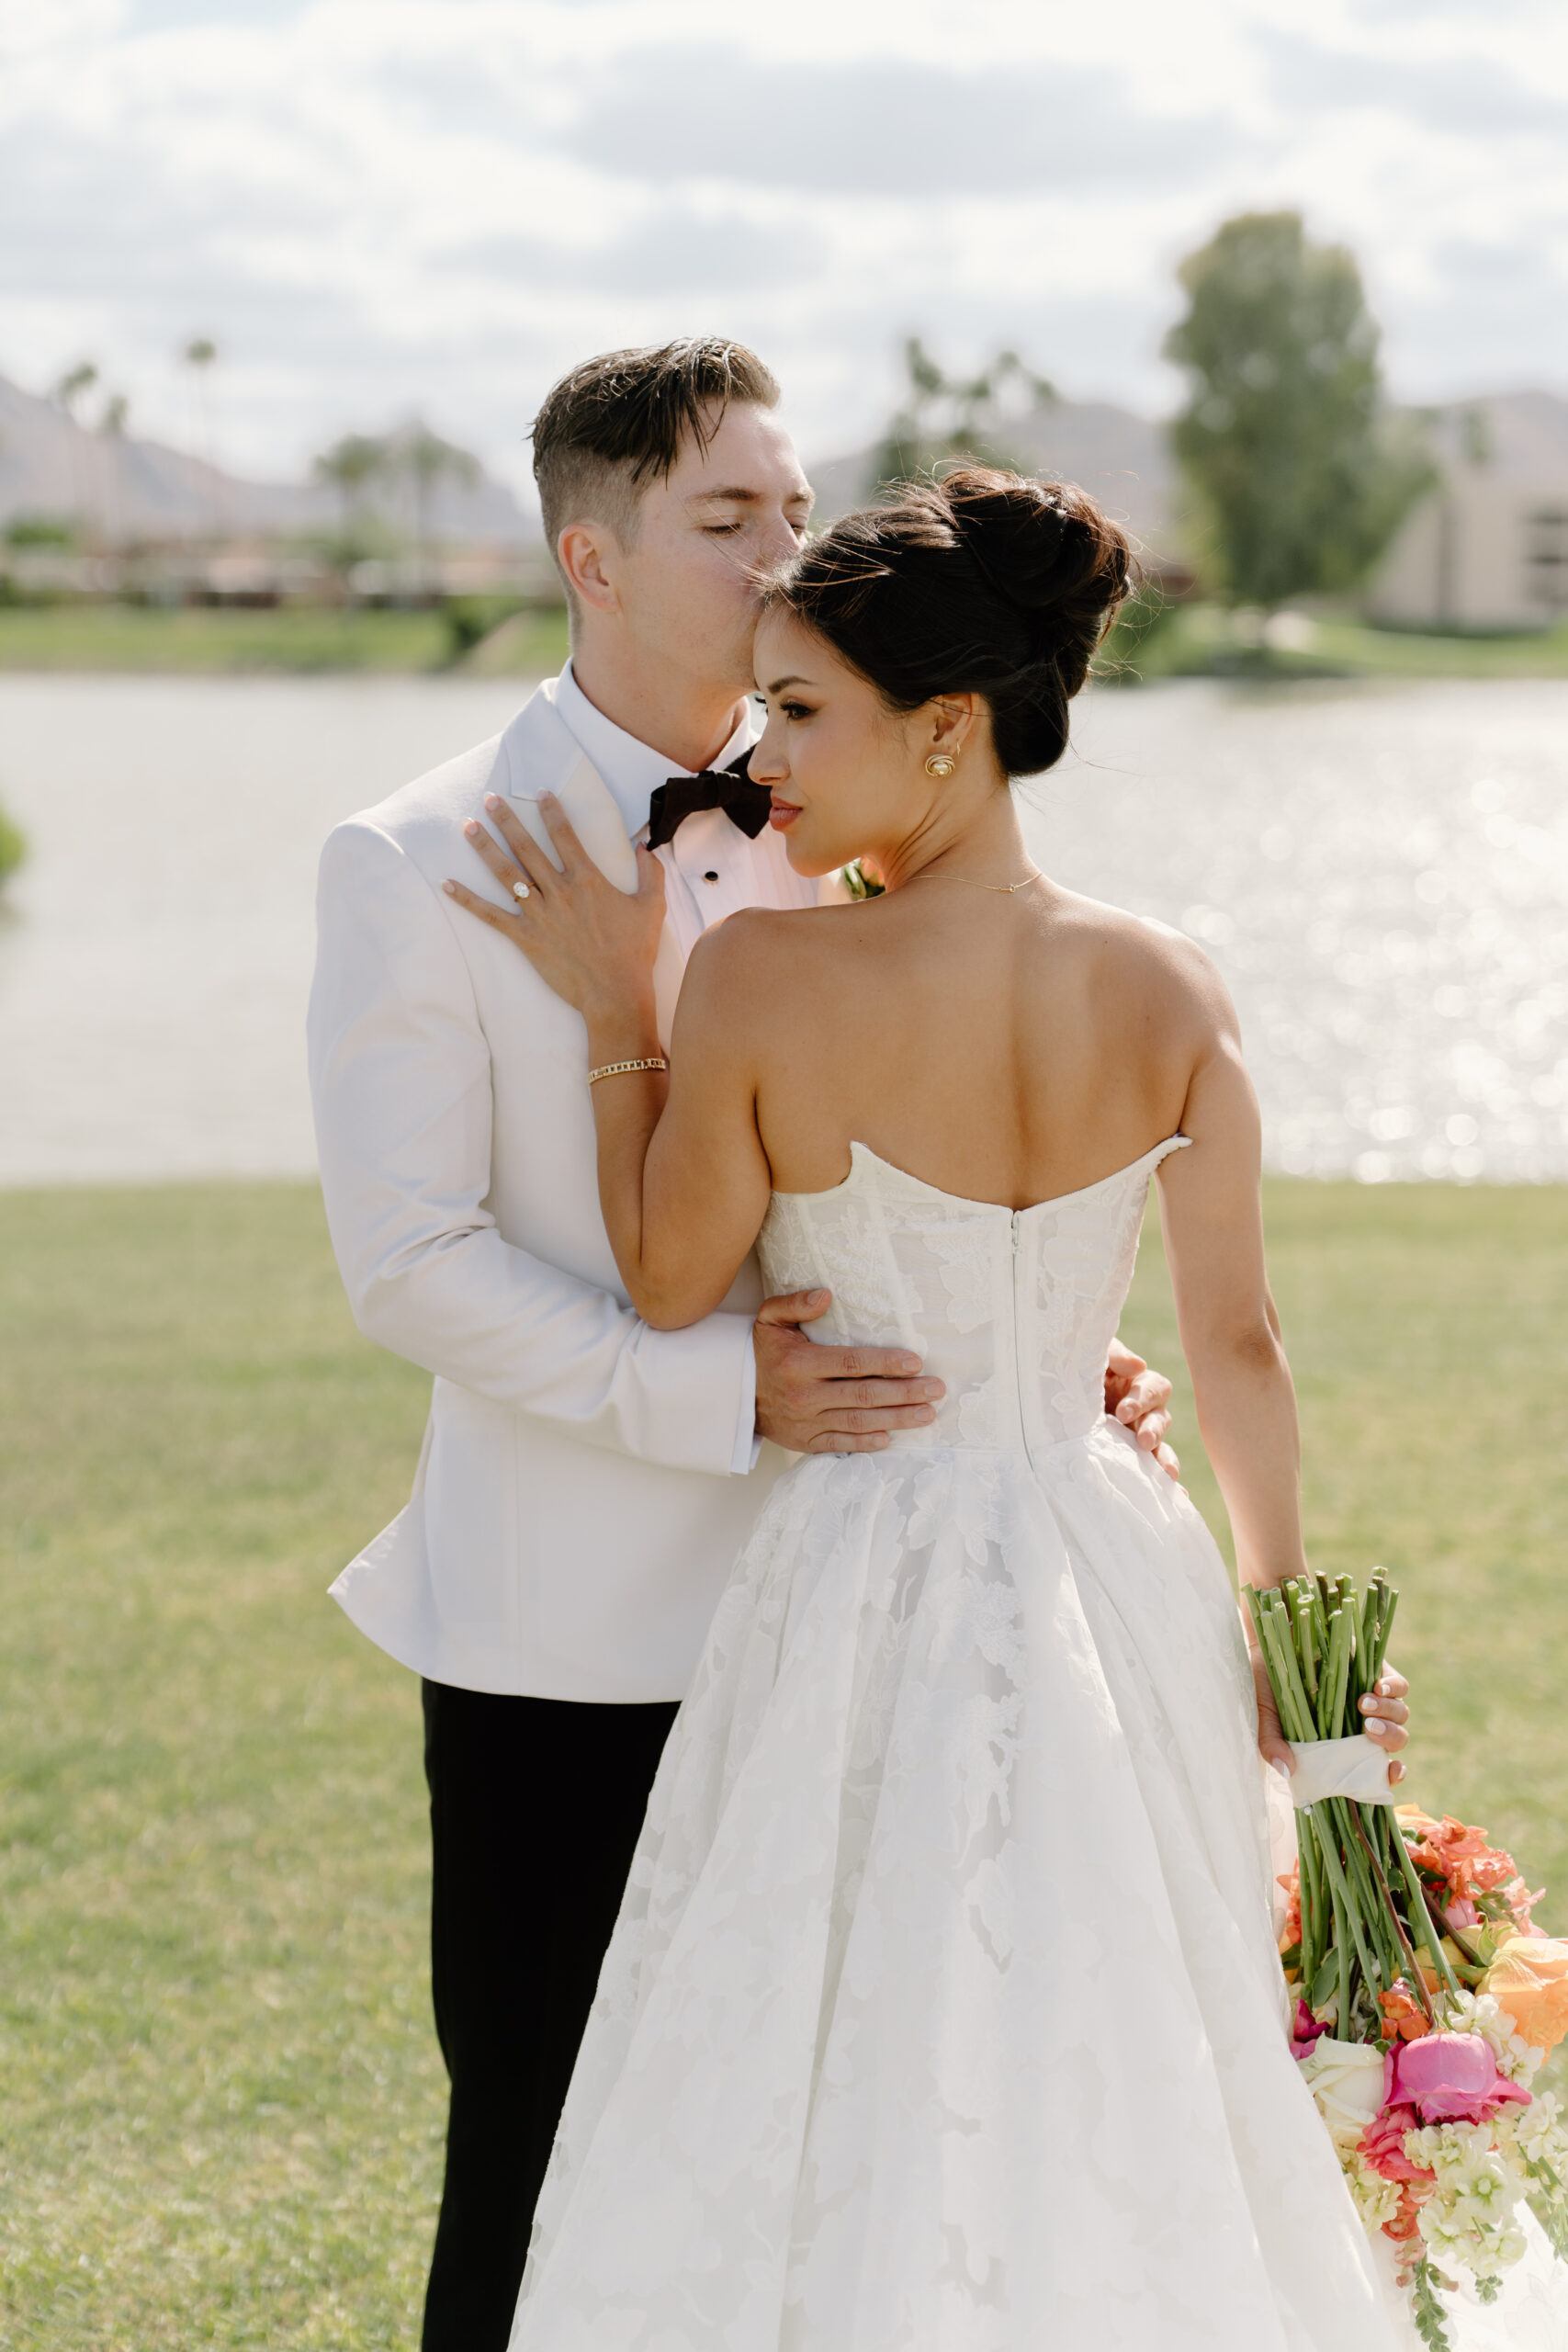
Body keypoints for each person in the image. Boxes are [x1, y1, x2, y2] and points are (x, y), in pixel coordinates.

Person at [446, 466, 1427, 2348]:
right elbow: (1236, 1345)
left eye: (800, 711)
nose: (766, 759)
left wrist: (607, 1016)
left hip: (864, 1559)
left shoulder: (755, 974)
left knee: (849, 2031)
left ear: (950, 725)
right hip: (1108, 1560)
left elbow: (667, 1282)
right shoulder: (1168, 983)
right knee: (1120, 2027)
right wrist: (1279, 1645)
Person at [306, 342, 1177, 2351]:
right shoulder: (414, 857)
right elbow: (411, 1261)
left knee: (825, 2176)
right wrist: (721, 1392)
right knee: (541, 2171)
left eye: (791, 507)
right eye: (726, 521)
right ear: (587, 556)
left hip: (872, 1623)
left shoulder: (851, 802)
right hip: (578, 1640)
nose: (782, 550)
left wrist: (1045, 1351)